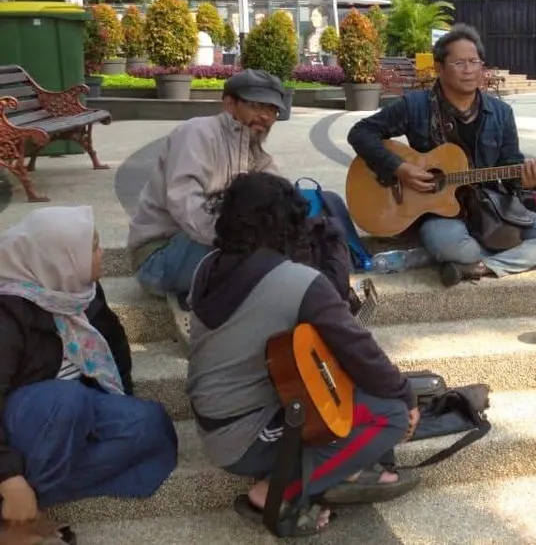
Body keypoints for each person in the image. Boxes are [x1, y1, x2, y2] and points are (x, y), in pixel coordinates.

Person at [185, 172, 418, 538]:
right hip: (246, 438)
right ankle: (278, 491)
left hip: (213, 420)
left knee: (352, 393)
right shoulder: (297, 281)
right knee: (389, 415)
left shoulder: (207, 267)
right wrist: (405, 396)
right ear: (287, 222)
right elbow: (360, 349)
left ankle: (338, 468)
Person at [0, 207, 177, 545]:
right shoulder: (7, 312)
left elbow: (114, 345)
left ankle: (27, 501)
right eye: (93, 247)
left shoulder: (81, 291)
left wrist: (120, 402)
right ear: (60, 259)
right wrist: (7, 475)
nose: (100, 254)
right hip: (28, 420)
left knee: (149, 424)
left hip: (74, 412)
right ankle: (15, 515)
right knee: (67, 400)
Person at [347, 24, 536, 287]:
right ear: (439, 68)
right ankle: (486, 259)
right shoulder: (415, 106)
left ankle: (480, 268)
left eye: (474, 61)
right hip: (438, 212)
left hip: (488, 207)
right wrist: (399, 168)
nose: (469, 69)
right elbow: (360, 133)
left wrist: (525, 179)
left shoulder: (500, 113)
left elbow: (510, 165)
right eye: (459, 62)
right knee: (461, 250)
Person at [127, 69, 291, 305]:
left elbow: (283, 200)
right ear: (229, 105)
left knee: (314, 208)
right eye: (257, 106)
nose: (265, 116)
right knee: (259, 257)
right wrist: (246, 239)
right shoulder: (197, 134)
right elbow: (186, 205)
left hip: (212, 246)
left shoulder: (255, 152)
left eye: (272, 110)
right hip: (161, 256)